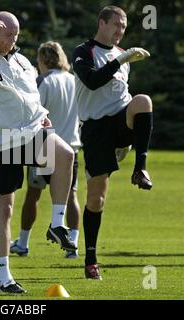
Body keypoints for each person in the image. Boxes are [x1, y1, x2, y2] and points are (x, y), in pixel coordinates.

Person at [0, 11, 76, 294]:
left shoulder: (24, 62)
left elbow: (30, 97)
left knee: (65, 155)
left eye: (15, 35)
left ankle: (57, 224)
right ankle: (4, 278)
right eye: (7, 34)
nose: (12, 40)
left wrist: (43, 116)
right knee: (5, 209)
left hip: (29, 133)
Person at [72, 5, 153, 280]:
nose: (120, 31)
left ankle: (140, 168)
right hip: (95, 130)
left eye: (123, 27)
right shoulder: (83, 52)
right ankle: (91, 259)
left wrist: (122, 59)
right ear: (101, 23)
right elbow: (93, 82)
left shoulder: (123, 56)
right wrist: (120, 61)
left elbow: (122, 94)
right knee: (96, 200)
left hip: (120, 121)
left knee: (142, 101)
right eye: (116, 25)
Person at [10, 41, 81, 259]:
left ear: (42, 59)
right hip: (72, 145)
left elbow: (35, 112)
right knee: (71, 196)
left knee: (33, 196)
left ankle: (22, 242)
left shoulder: (44, 81)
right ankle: (73, 244)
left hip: (47, 146)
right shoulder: (74, 81)